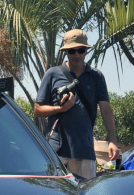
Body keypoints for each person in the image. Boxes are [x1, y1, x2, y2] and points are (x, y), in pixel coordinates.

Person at [34, 29, 120, 180]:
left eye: (81, 50)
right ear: (66, 51)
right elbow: (38, 110)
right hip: (55, 151)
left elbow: (106, 110)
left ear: (86, 50)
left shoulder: (96, 76)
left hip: (84, 151)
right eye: (72, 51)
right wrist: (60, 108)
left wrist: (112, 140)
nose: (77, 55)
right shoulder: (52, 74)